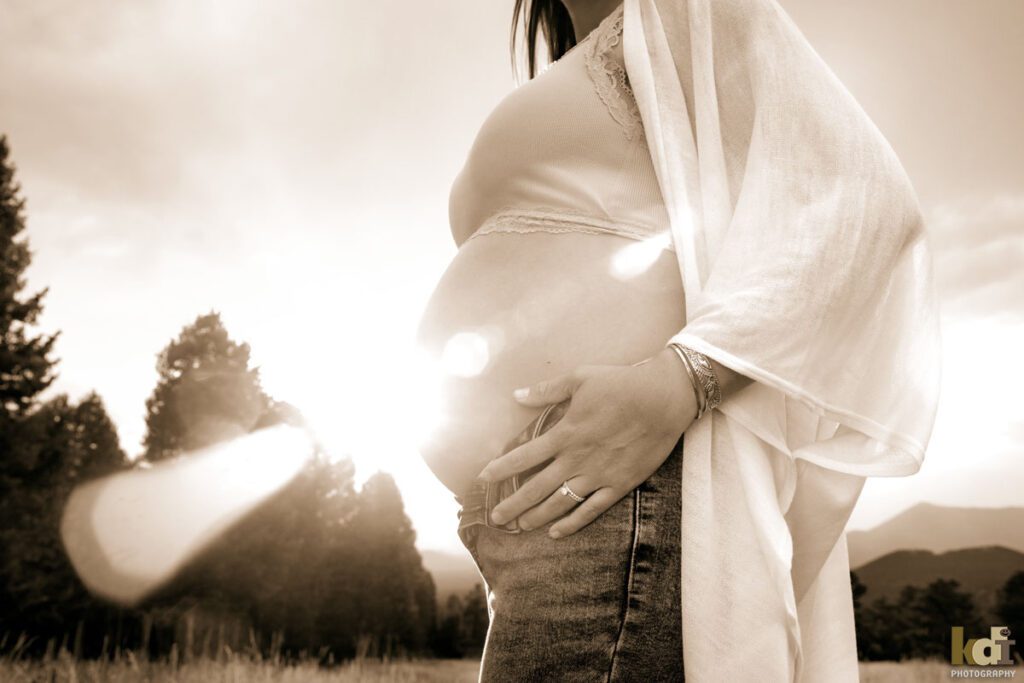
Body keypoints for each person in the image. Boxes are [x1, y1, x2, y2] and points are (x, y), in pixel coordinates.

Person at [415, 0, 941, 680]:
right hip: (538, 515)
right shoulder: (577, 64)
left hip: (614, 507)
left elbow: (867, 203)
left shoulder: (691, 10)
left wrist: (685, 379)